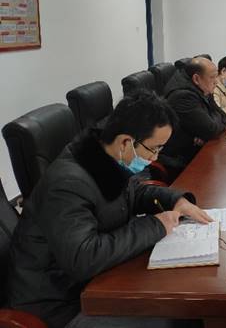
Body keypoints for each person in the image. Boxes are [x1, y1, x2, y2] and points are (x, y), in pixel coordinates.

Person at [7, 90, 211, 328]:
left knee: (183, 294)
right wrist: (156, 225)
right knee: (177, 310)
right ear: (125, 141)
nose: (155, 158)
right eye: (154, 149)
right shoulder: (68, 184)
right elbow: (84, 258)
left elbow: (134, 193)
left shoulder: (106, 157)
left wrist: (176, 200)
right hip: (60, 305)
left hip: (96, 284)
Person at [161, 57, 226, 173]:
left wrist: (211, 122)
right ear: (196, 78)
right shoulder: (182, 96)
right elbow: (211, 130)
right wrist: (212, 122)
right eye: (212, 77)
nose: (216, 81)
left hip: (196, 150)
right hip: (181, 160)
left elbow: (222, 115)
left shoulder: (202, 86)